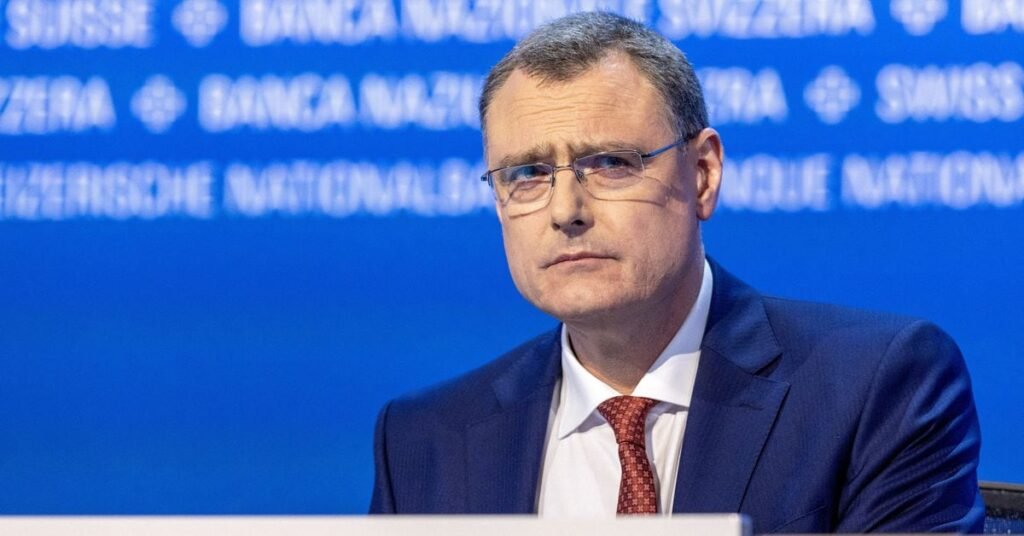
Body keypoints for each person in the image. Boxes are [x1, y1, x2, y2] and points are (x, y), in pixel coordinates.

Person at [369, 11, 984, 533]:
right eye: (527, 174)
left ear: (703, 175)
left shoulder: (873, 387)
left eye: (610, 162)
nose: (565, 211)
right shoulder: (426, 439)